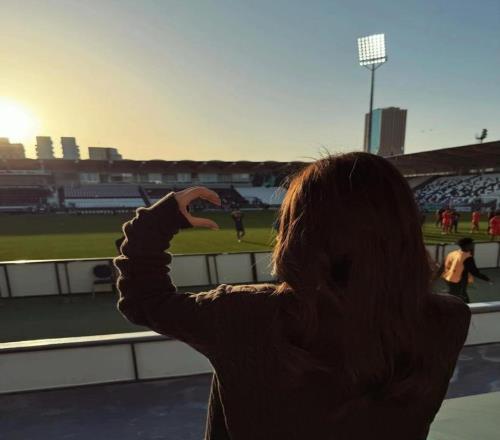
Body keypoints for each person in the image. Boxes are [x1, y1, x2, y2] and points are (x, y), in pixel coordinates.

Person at [114, 153, 471, 440]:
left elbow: (145, 300)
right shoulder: (450, 319)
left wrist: (154, 224)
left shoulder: (244, 314)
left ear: (299, 230)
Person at [438, 237, 493, 303]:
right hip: (459, 280)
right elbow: (474, 272)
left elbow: (443, 265)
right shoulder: (467, 258)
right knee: (460, 296)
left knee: (457, 294)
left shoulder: (453, 253)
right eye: (472, 244)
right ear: (467, 246)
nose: (473, 245)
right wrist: (487, 279)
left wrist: (435, 276)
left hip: (448, 278)